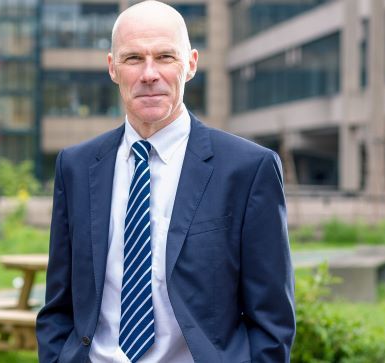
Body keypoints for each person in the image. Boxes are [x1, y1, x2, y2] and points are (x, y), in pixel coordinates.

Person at [35, 1, 296, 362]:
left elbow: (272, 321)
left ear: (190, 64)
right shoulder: (76, 167)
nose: (149, 74)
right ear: (112, 68)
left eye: (164, 57)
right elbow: (59, 305)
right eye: (132, 59)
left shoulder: (248, 169)